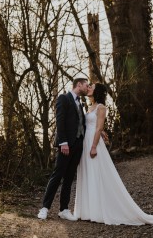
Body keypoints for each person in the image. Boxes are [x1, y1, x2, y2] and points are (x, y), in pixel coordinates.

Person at [74, 83, 153, 225]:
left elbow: (99, 128)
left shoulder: (101, 107)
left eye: (92, 86)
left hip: (93, 143)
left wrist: (94, 146)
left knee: (96, 174)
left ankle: (98, 210)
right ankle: (88, 210)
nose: (89, 87)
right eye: (89, 86)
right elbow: (90, 125)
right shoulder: (89, 107)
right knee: (88, 173)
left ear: (97, 92)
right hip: (86, 141)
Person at [37, 77, 89, 221]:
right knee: (57, 175)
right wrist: (63, 142)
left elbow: (81, 123)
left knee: (69, 177)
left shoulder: (81, 102)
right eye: (86, 85)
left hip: (78, 145)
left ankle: (64, 209)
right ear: (79, 85)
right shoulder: (64, 98)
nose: (87, 87)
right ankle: (45, 208)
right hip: (66, 145)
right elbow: (60, 121)